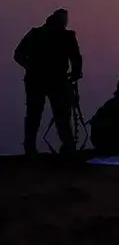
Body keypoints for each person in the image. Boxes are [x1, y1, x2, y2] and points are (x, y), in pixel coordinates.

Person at [13, 8, 82, 155]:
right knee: (60, 115)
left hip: (38, 80)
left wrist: (29, 66)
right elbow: (76, 59)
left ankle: (30, 147)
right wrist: (75, 75)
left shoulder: (37, 34)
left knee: (35, 114)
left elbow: (18, 54)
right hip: (55, 80)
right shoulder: (66, 36)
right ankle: (67, 146)